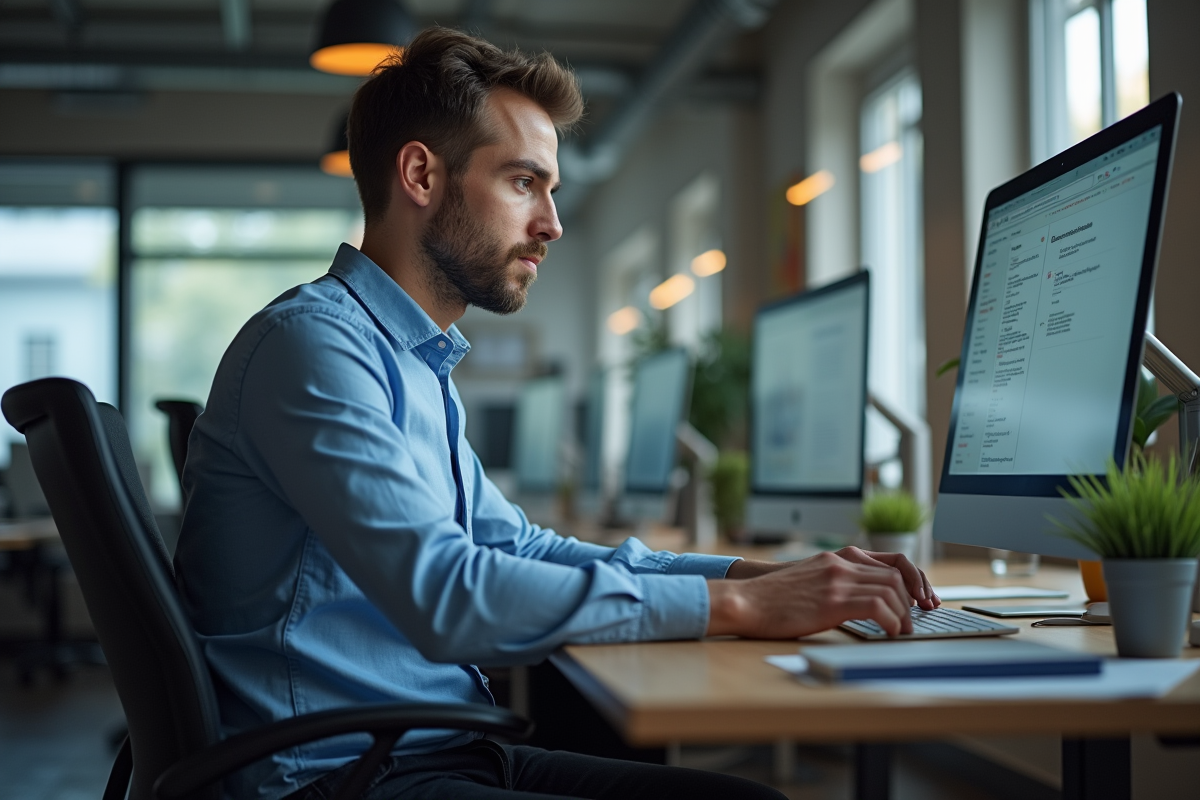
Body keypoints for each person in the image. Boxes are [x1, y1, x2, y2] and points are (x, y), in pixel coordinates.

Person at [175, 26, 938, 800]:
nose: (551, 223)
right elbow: (447, 595)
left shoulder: (409, 361)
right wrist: (735, 604)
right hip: (337, 777)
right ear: (420, 175)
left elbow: (518, 547)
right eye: (522, 182)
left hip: (419, 750)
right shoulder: (315, 347)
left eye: (551, 190)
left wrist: (759, 575)